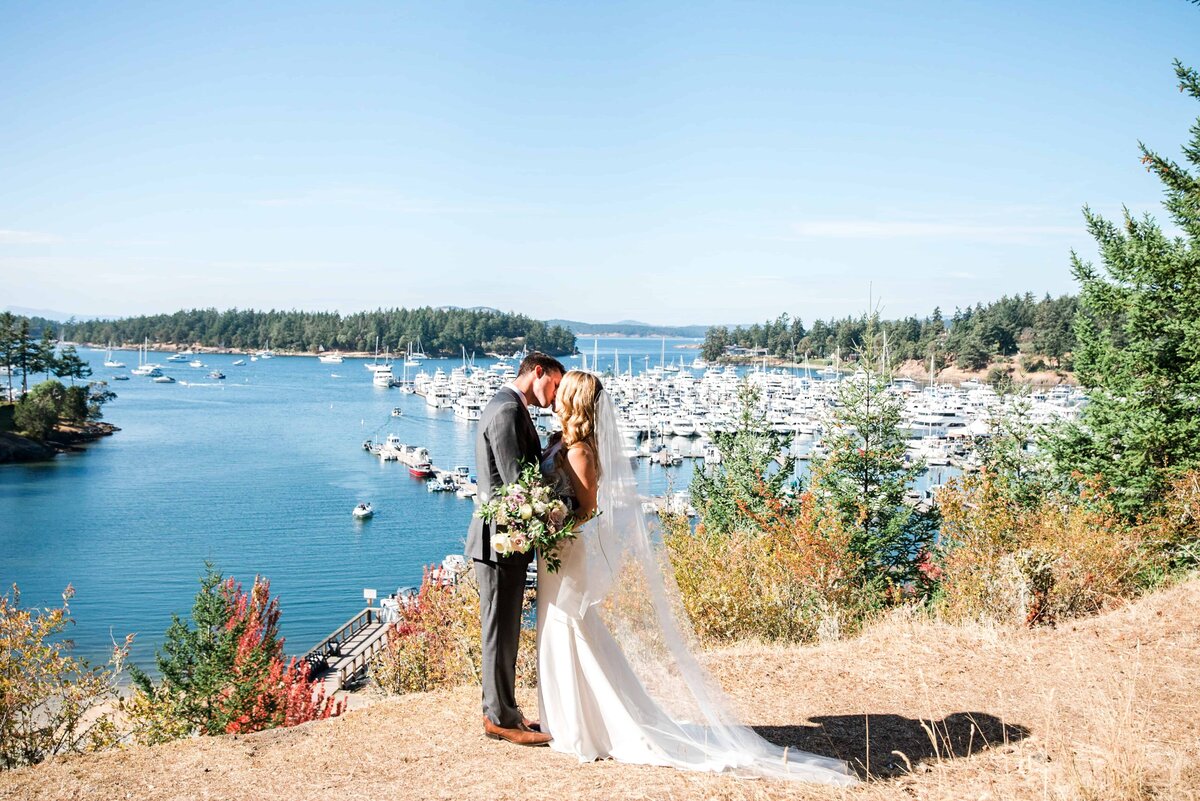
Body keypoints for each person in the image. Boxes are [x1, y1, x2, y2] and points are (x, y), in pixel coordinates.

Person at [535, 369, 856, 785]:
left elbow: (589, 507)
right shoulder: (562, 441)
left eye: (562, 390)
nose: (555, 394)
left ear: (574, 398)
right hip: (551, 551)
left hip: (565, 547)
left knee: (570, 625)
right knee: (560, 625)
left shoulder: (580, 451)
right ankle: (567, 715)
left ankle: (583, 723)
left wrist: (552, 521)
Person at [465, 352, 564, 747]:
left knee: (504, 631)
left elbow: (520, 470)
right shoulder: (507, 410)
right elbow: (515, 485)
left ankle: (507, 710)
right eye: (554, 384)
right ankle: (498, 717)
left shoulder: (508, 407)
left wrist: (551, 452)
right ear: (537, 372)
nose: (555, 397)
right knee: (498, 632)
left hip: (505, 541)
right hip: (497, 541)